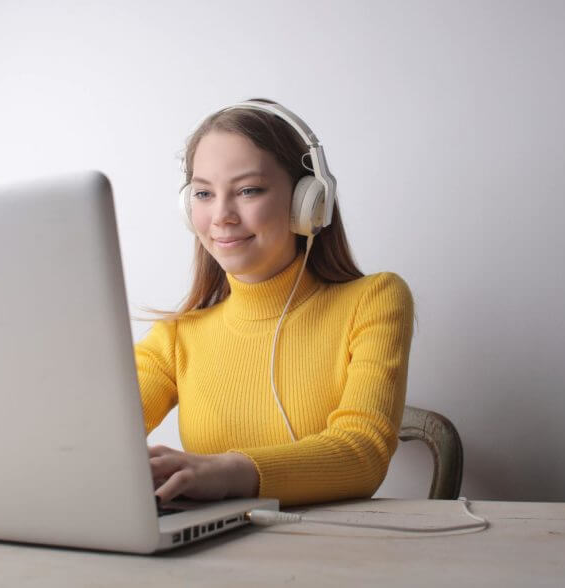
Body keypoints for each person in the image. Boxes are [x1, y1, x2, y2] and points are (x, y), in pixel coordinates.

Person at [135, 99, 414, 508]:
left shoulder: (374, 300)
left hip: (338, 555)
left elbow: (363, 452)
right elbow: (91, 435)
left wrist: (226, 472)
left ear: (308, 202)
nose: (221, 216)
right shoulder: (176, 337)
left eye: (248, 190)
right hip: (209, 560)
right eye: (203, 193)